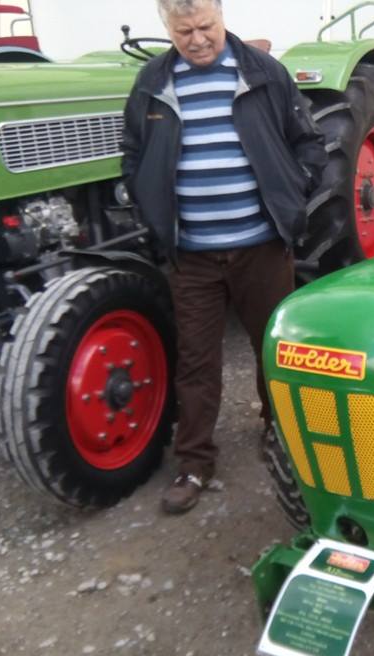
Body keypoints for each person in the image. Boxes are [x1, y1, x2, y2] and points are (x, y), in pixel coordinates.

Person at [121, 0, 326, 514]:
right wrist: (150, 205)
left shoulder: (264, 73)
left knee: (275, 351)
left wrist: (295, 193)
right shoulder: (152, 82)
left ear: (221, 17)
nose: (197, 39)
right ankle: (194, 462)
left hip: (262, 248)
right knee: (195, 360)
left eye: (205, 26)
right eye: (183, 31)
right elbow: (134, 154)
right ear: (167, 29)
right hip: (192, 256)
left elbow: (307, 142)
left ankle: (282, 435)